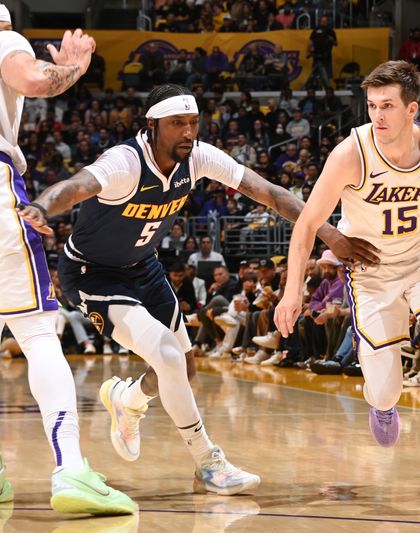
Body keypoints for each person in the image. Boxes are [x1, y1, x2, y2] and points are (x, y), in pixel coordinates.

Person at [19, 84, 379, 497]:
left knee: (182, 371)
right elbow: (76, 185)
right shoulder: (124, 162)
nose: (188, 132)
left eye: (193, 123)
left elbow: (271, 194)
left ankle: (128, 399)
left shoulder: (200, 157)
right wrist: (42, 207)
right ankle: (207, 462)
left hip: (144, 268)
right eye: (177, 124)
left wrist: (329, 234)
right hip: (94, 273)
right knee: (169, 356)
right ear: (152, 126)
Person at [275, 61, 420, 498]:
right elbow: (307, 223)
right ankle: (384, 404)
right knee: (386, 389)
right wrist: (292, 289)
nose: (378, 115)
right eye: (372, 105)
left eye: (388, 106)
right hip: (372, 272)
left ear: (412, 109)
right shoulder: (350, 154)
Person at [0, 14, 135, 514]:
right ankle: (70, 469)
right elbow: (34, 79)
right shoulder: (4, 38)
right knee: (36, 334)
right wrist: (74, 68)